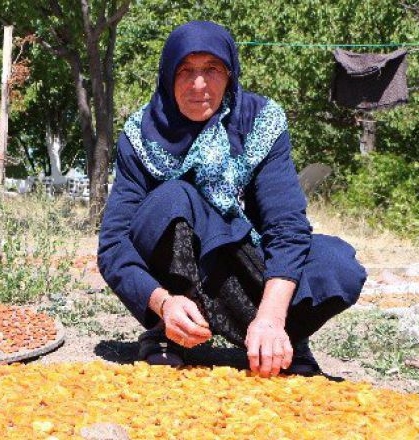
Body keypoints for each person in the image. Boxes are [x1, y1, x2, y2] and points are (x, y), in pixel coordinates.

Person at [97, 21, 366, 378]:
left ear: (230, 74)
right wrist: (162, 302)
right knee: (172, 198)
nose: (198, 85)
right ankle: (173, 331)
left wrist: (271, 316)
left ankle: (282, 337)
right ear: (166, 75)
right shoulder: (141, 137)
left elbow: (286, 226)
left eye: (212, 70)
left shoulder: (261, 123)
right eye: (185, 71)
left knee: (337, 266)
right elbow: (114, 242)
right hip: (184, 280)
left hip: (249, 264)